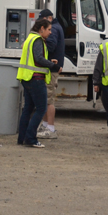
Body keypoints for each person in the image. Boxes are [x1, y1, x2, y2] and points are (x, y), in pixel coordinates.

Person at [17, 18, 61, 148]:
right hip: (36, 79)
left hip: (27, 78)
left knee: (28, 109)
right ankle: (30, 138)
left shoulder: (29, 38)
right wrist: (53, 66)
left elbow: (35, 59)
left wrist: (49, 61)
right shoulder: (37, 40)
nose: (50, 32)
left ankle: (22, 138)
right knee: (41, 109)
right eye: (48, 29)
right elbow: (39, 58)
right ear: (41, 29)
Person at [38, 9, 64, 139]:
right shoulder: (56, 27)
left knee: (49, 100)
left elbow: (50, 47)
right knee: (46, 99)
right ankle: (45, 125)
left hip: (51, 70)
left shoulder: (53, 29)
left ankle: (50, 128)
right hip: (51, 69)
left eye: (42, 20)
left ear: (49, 18)